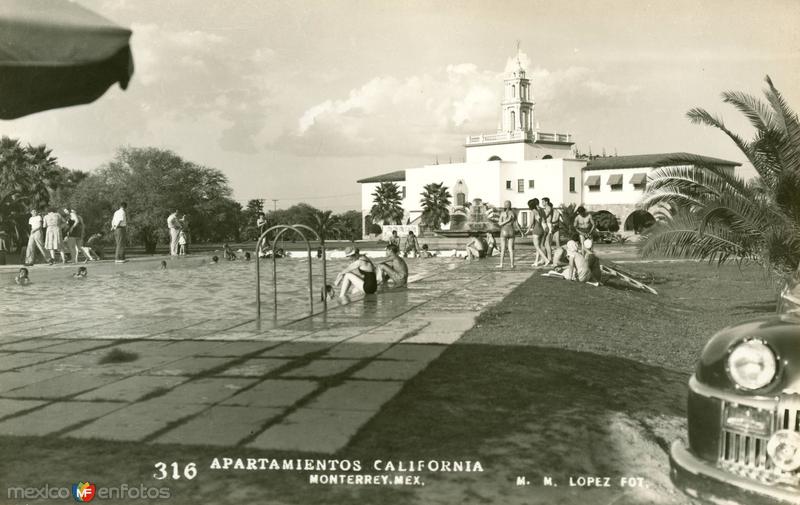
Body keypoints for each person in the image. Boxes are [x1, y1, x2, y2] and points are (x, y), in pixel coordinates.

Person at [497, 200, 520, 268]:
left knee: (503, 249)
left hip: (504, 230)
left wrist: (506, 220)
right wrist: (521, 232)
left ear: (504, 205)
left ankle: (501, 264)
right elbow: (517, 224)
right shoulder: (514, 213)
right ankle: (512, 264)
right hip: (511, 230)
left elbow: (500, 224)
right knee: (511, 249)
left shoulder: (502, 213)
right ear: (510, 205)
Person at [527, 198, 550, 267]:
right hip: (541, 229)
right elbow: (544, 218)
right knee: (539, 246)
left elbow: (531, 222)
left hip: (536, 229)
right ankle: (536, 262)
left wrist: (527, 230)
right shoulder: (541, 210)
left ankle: (546, 260)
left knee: (537, 247)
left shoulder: (533, 211)